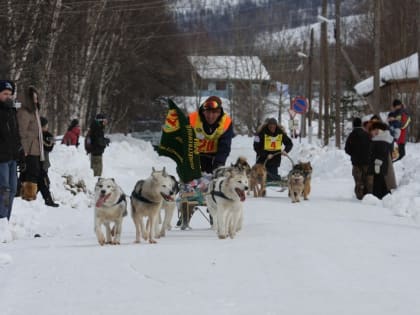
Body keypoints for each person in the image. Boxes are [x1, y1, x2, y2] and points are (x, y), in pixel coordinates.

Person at [0, 80, 23, 242]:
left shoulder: (12, 111)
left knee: (13, 189)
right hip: (1, 158)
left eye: (10, 94)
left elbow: (15, 134)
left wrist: (20, 153)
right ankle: (2, 222)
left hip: (12, 157)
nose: (8, 97)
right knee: (4, 190)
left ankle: (5, 222)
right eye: (5, 94)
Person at [188, 96, 234, 174]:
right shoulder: (191, 119)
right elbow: (184, 143)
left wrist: (218, 166)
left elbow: (224, 147)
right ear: (203, 111)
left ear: (219, 113)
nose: (210, 116)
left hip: (214, 158)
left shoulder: (226, 123)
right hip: (194, 157)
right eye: (208, 112)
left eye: (214, 112)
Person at [16, 85, 44, 201]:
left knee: (34, 172)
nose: (36, 100)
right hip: (29, 149)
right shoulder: (24, 112)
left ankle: (26, 194)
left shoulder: (35, 111)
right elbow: (22, 131)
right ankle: (28, 195)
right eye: (34, 98)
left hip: (36, 148)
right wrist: (25, 149)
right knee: (31, 173)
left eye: (37, 98)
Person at [367, 121, 396, 199]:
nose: (371, 132)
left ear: (377, 130)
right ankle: (385, 198)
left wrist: (377, 164)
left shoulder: (380, 140)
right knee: (382, 183)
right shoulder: (383, 138)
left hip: (379, 167)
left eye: (372, 130)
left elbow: (381, 153)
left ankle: (379, 200)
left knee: (378, 184)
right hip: (382, 167)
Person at [344, 117, 371, 200]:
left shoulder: (351, 135)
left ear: (353, 125)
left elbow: (347, 149)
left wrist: (353, 154)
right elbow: (371, 146)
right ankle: (368, 195)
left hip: (356, 162)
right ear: (361, 124)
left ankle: (359, 195)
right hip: (367, 161)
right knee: (367, 178)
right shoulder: (367, 134)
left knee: (358, 179)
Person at [39, 117, 59, 207]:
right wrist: (49, 142)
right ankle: (48, 199)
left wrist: (50, 140)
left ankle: (47, 199)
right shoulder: (38, 136)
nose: (47, 127)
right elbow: (46, 147)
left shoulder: (47, 135)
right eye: (45, 126)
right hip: (39, 162)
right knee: (44, 182)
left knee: (44, 182)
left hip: (44, 162)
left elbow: (49, 148)